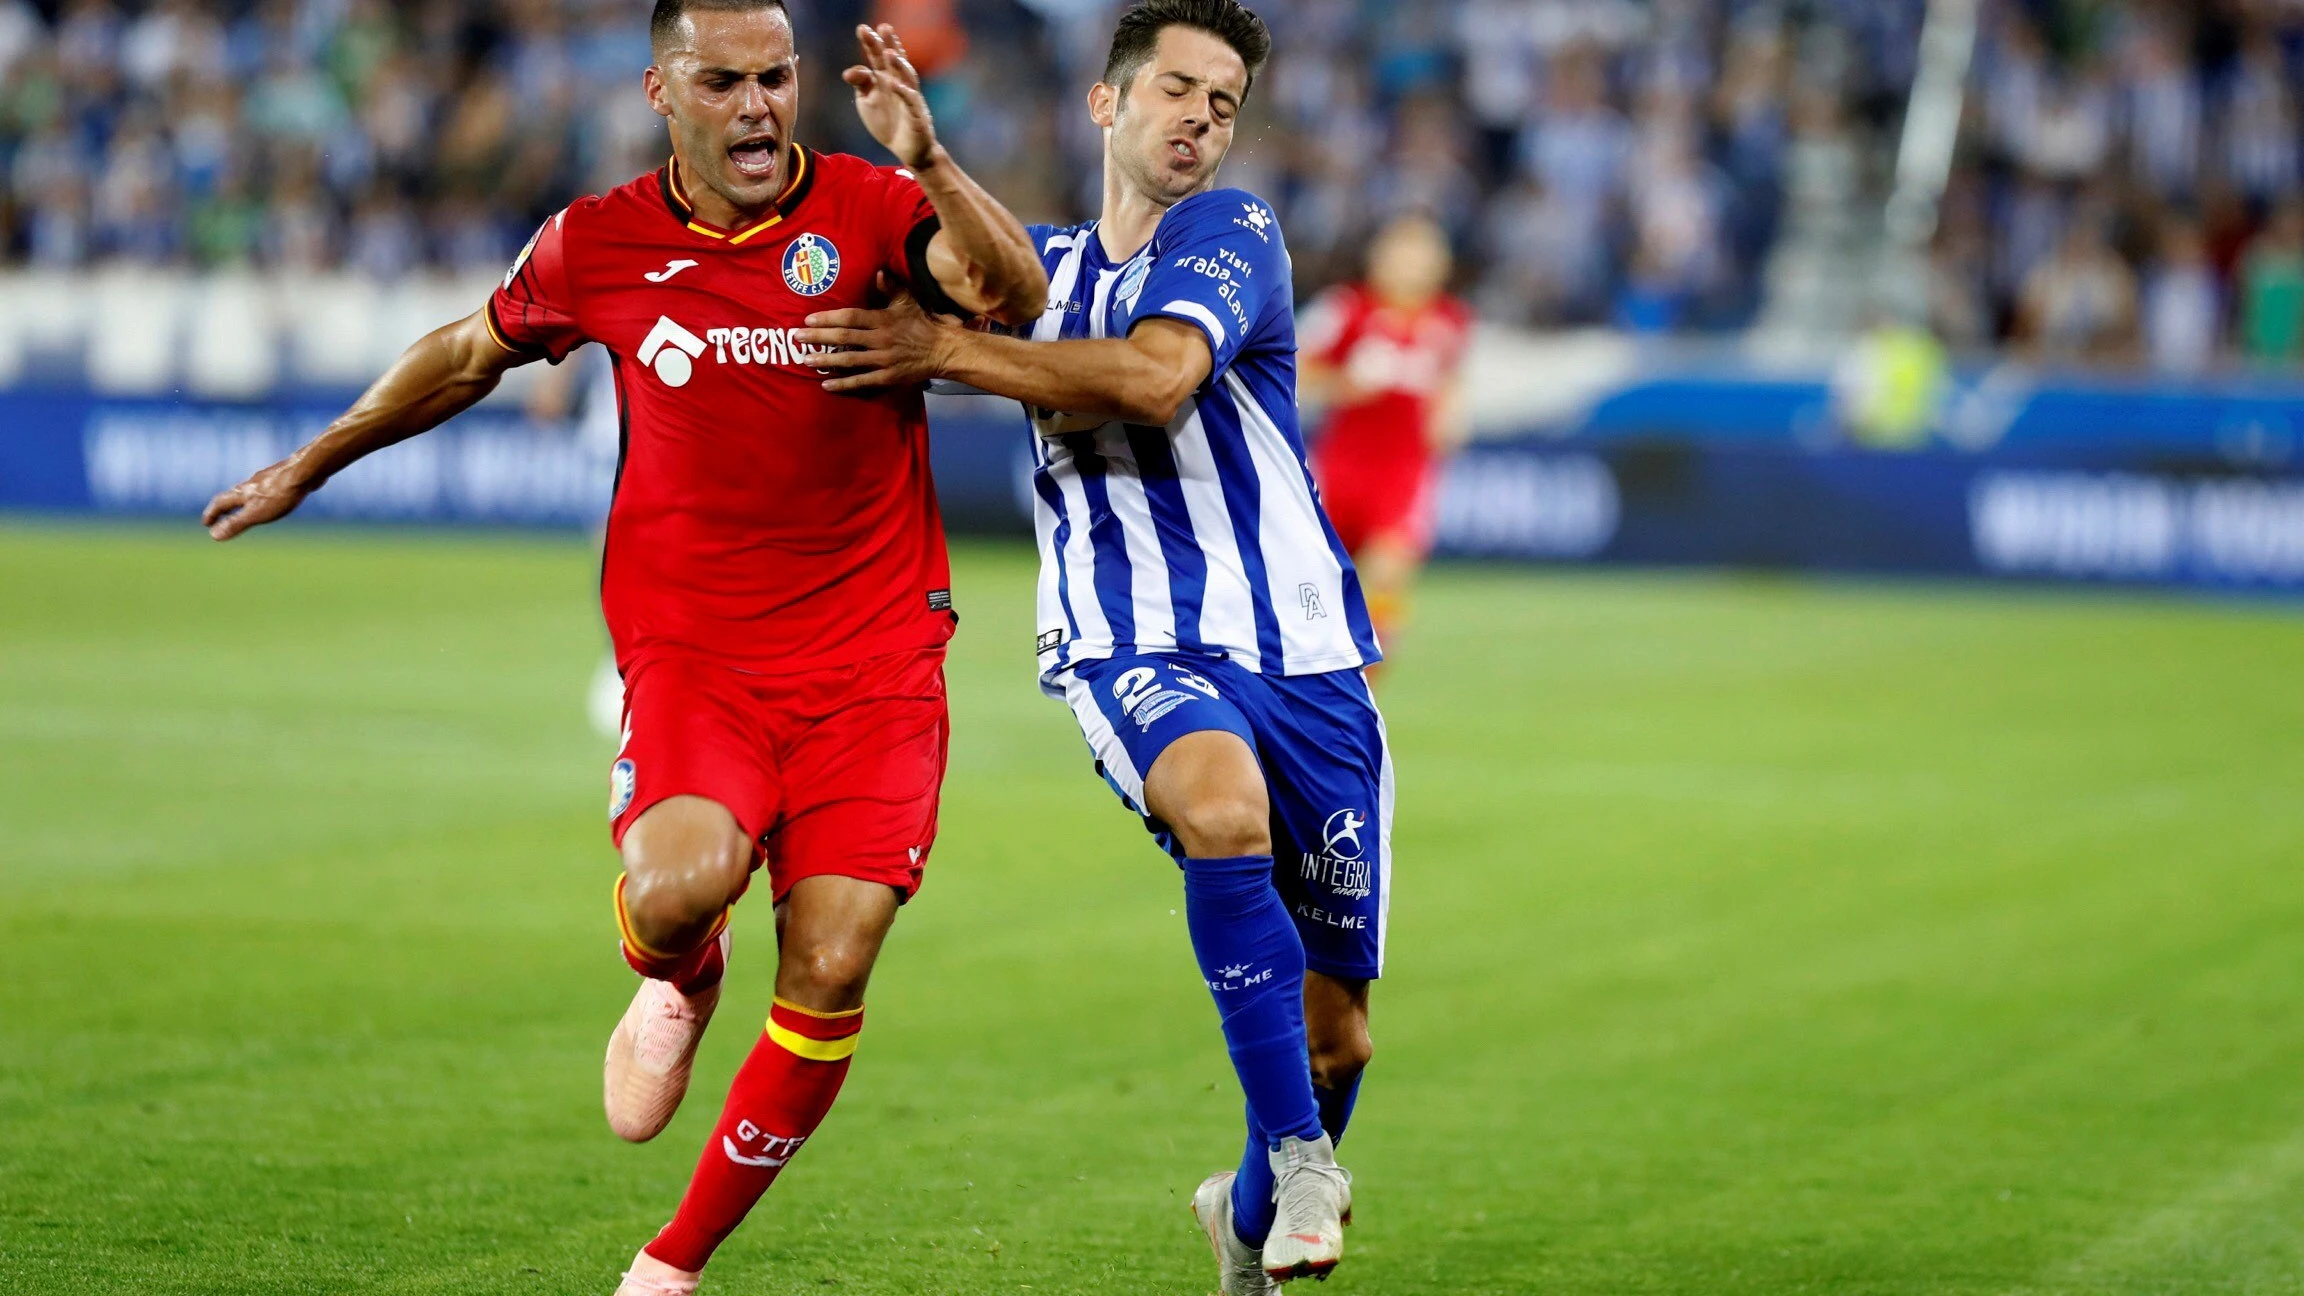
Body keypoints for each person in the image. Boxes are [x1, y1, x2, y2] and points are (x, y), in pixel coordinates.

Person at [197, 5, 1048, 1293]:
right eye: (724, 82)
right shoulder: (596, 241)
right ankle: (680, 975)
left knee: (831, 960)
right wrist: (312, 462)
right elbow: (471, 352)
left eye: (776, 78)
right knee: (675, 890)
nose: (758, 105)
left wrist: (930, 159)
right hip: (696, 650)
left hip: (876, 657)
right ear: (662, 89)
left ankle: (671, 1266)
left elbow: (1013, 299)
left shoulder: (874, 210)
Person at [796, 1, 1379, 1288]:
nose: (1201, 120)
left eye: (1223, 104)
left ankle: (1241, 1213)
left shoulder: (1235, 232)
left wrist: (953, 350)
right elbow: (937, 295)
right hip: (1129, 643)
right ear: (1106, 104)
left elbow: (1158, 376)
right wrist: (928, 166)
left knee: (1338, 1038)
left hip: (1307, 658)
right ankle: (1298, 1162)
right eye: (1177, 89)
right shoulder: (1042, 268)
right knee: (1220, 811)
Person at [1298, 212, 1471, 666]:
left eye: (1424, 257)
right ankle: (1309, 671)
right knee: (1315, 583)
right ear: (1379, 259)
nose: (1412, 267)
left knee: (1389, 574)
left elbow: (1449, 387)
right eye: (1402, 255)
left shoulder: (1450, 321)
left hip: (1404, 473)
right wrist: (1345, 384)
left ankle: (1363, 684)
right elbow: (1294, 371)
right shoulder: (1346, 309)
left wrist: (1449, 419)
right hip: (1341, 467)